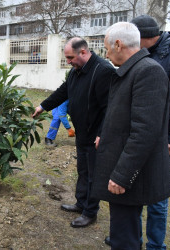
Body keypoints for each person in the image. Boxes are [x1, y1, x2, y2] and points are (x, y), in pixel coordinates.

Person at [92, 22, 170, 250]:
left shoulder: (148, 72)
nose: (106, 55)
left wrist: (122, 175)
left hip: (130, 175)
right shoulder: (130, 71)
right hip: (122, 167)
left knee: (124, 238)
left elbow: (144, 130)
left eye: (107, 49)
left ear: (118, 45)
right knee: (123, 232)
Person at [32, 37, 115, 228]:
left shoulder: (102, 71)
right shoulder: (76, 70)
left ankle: (90, 212)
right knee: (83, 170)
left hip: (95, 135)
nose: (68, 61)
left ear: (83, 52)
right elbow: (64, 91)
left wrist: (102, 133)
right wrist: (43, 106)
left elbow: (110, 107)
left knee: (94, 174)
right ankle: (81, 203)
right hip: (82, 132)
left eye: (70, 57)